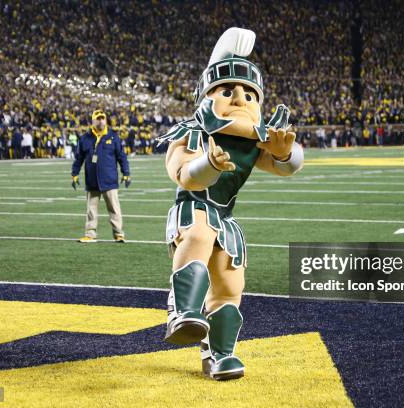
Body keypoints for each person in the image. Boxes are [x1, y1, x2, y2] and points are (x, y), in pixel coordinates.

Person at [158, 27, 303, 381]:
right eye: (227, 91)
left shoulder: (253, 143)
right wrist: (210, 164)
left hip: (225, 217)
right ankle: (183, 309)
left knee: (230, 284)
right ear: (206, 97)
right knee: (200, 234)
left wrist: (285, 153)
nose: (239, 98)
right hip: (193, 209)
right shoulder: (192, 131)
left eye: (249, 94)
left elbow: (290, 164)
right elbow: (183, 175)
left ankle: (220, 353)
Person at [71, 109, 131, 243]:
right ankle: (90, 234)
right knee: (91, 210)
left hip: (109, 180)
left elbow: (122, 157)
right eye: (98, 118)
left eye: (102, 118)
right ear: (92, 121)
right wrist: (74, 174)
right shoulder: (85, 138)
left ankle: (119, 234)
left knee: (114, 209)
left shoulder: (113, 137)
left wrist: (126, 173)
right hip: (92, 180)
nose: (100, 121)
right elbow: (78, 158)